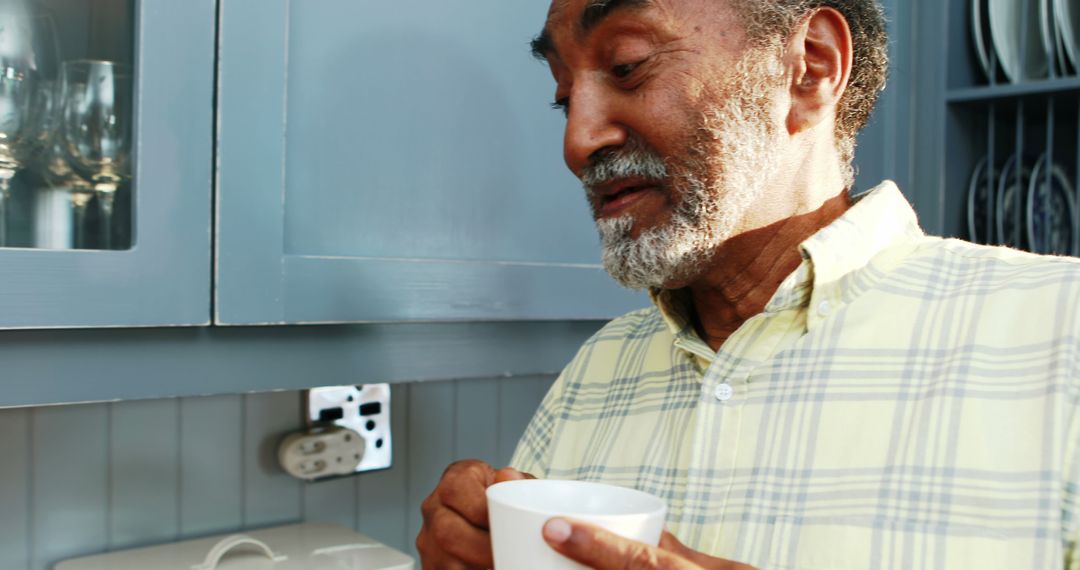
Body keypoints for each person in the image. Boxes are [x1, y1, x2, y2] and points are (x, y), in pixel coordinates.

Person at [417, 0, 1080, 568]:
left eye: (626, 66)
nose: (577, 139)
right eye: (565, 96)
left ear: (809, 67)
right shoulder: (594, 373)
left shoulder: (1062, 333)